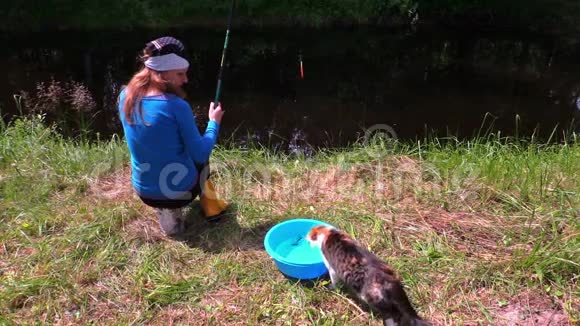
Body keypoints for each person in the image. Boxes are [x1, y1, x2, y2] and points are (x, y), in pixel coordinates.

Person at [118, 36, 227, 235]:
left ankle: (169, 219)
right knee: (203, 156)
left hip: (143, 191)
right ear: (163, 73)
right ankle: (211, 208)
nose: (185, 80)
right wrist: (214, 122)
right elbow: (200, 154)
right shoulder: (176, 106)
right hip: (178, 194)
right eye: (180, 74)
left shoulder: (125, 96)